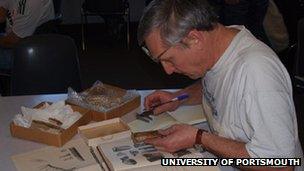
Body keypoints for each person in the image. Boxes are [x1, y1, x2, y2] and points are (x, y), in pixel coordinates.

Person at [137, 0, 303, 170]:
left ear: (194, 38)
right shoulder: (222, 44)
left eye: (169, 59)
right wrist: (178, 98)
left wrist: (200, 138)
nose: (168, 70)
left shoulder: (257, 73)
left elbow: (282, 166)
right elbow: (217, 83)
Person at [0, 0, 54, 69]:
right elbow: (1, 16)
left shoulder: (31, 3)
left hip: (26, 53)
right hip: (12, 38)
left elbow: (13, 41)